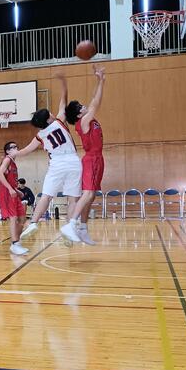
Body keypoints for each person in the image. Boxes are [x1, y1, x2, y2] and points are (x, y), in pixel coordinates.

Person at [15, 74, 82, 242]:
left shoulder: (40, 135)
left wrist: (14, 154)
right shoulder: (59, 121)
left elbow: (26, 150)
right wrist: (64, 84)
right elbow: (63, 102)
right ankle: (70, 228)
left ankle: (33, 223)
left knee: (46, 196)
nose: (53, 113)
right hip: (73, 161)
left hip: (56, 164)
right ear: (49, 118)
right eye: (50, 113)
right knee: (73, 198)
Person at [61, 67, 106, 245]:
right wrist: (101, 81)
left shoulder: (86, 118)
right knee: (87, 194)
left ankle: (83, 229)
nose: (84, 105)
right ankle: (71, 224)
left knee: (91, 195)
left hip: (97, 159)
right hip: (92, 159)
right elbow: (95, 102)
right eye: (81, 106)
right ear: (79, 114)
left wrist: (99, 80)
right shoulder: (84, 120)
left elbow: (93, 98)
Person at [0, 141, 28, 256]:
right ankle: (15, 244)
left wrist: (17, 190)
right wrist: (10, 189)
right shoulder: (7, 159)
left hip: (13, 192)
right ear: (8, 151)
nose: (16, 148)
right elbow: (0, 174)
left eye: (16, 146)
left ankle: (16, 242)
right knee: (13, 218)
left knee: (22, 218)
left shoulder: (13, 162)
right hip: (7, 193)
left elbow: (10, 179)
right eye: (13, 147)